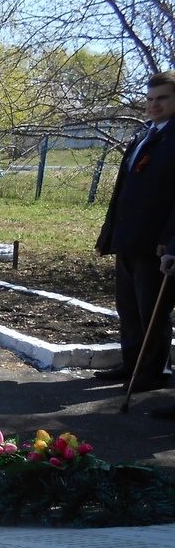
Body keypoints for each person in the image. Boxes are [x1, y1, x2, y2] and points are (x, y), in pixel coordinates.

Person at [96, 70, 175, 395]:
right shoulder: (145, 134)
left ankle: (153, 372)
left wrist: (170, 240)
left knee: (152, 311)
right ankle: (131, 363)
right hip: (128, 238)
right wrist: (108, 235)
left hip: (154, 244)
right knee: (127, 308)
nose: (154, 105)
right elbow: (124, 191)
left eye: (162, 99)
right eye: (150, 99)